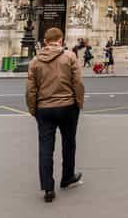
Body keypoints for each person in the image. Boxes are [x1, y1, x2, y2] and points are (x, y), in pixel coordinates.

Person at [25, 27, 85, 202]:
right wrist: (79, 103)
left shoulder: (35, 61)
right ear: (61, 40)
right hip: (68, 106)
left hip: (44, 109)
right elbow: (78, 83)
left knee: (45, 148)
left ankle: (48, 189)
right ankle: (67, 177)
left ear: (45, 42)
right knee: (69, 143)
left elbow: (30, 90)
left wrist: (33, 109)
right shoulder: (70, 57)